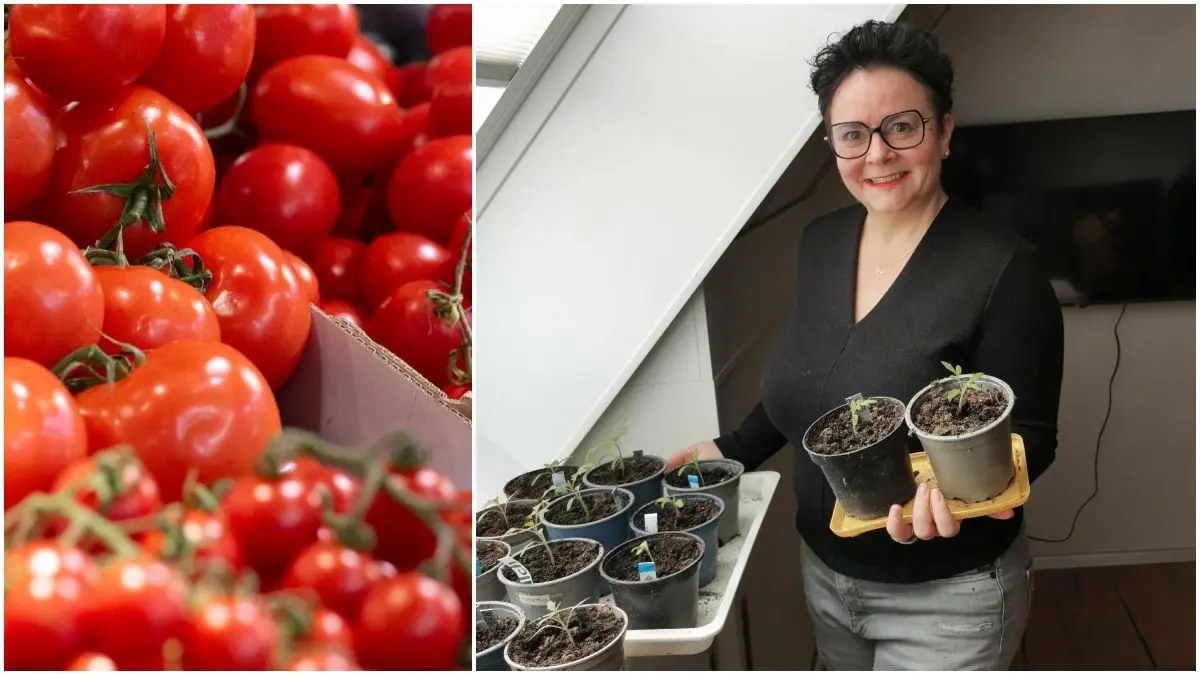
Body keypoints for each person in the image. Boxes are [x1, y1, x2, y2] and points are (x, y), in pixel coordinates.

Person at [666, 20, 1064, 671]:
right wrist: (732, 449)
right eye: (852, 135)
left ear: (943, 132)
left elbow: (1032, 437)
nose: (876, 154)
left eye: (901, 127)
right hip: (827, 577)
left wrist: (959, 501)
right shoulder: (822, 242)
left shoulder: (1003, 269)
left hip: (947, 601)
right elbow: (813, 378)